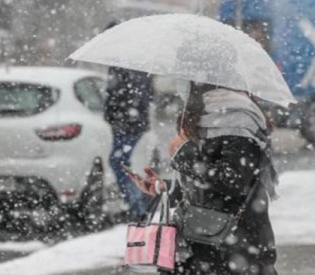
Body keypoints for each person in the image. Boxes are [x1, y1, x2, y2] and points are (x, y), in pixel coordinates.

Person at [130, 81, 279, 275]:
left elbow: (231, 181)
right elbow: (200, 186)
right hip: (200, 244)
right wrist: (164, 187)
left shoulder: (237, 118)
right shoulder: (204, 114)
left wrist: (183, 154)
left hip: (232, 247)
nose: (181, 84)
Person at [104, 22, 154, 220]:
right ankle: (135, 204)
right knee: (119, 161)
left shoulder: (129, 60)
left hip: (129, 123)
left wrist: (127, 112)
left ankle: (137, 206)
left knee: (118, 161)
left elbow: (139, 93)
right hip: (125, 121)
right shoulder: (122, 60)